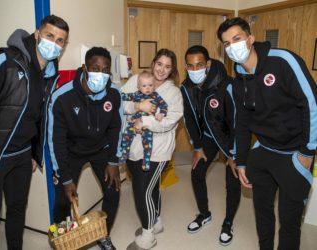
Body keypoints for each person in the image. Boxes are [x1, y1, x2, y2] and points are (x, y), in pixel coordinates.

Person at [0, 15, 69, 250]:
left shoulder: (50, 74)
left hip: (22, 158)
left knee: (16, 212)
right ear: (36, 34)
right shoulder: (4, 59)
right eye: (50, 36)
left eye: (61, 40)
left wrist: (34, 153)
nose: (54, 43)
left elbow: (36, 116)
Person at [217, 17, 317, 250]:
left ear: (250, 39)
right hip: (262, 153)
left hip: (294, 154)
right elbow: (241, 123)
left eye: (237, 39)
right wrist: (241, 161)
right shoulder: (238, 77)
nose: (232, 47)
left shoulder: (282, 61)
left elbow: (311, 103)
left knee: (290, 222)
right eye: (226, 43)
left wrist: (307, 150)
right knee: (262, 214)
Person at [48, 47, 122, 250]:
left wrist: (113, 161)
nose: (101, 74)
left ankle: (103, 234)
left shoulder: (114, 93)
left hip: (101, 149)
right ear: (85, 68)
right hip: (71, 151)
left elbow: (117, 127)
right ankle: (64, 241)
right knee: (64, 200)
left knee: (113, 192)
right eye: (95, 68)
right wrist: (66, 178)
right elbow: (56, 141)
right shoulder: (62, 97)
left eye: (106, 70)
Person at [121, 49, 183, 250]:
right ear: (153, 62)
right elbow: (121, 102)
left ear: (172, 70)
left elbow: (170, 121)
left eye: (167, 66)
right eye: (159, 64)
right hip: (134, 147)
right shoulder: (137, 80)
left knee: (143, 190)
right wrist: (139, 106)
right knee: (151, 187)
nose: (162, 70)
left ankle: (148, 236)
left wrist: (145, 122)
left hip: (158, 150)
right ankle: (155, 223)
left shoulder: (173, 93)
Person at [180, 45, 241, 246]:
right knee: (196, 173)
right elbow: (189, 118)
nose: (195, 70)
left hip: (231, 138)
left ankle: (228, 222)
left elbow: (237, 122)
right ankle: (204, 214)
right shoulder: (186, 87)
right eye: (190, 66)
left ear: (207, 63)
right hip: (208, 137)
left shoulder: (227, 84)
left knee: (232, 179)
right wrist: (197, 147)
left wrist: (234, 155)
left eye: (199, 65)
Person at [120, 70, 168, 171]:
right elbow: (124, 96)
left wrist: (161, 113)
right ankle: (124, 154)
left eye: (150, 85)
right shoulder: (136, 94)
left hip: (147, 124)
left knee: (147, 142)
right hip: (134, 121)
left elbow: (164, 105)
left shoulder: (156, 96)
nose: (148, 88)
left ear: (154, 86)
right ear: (138, 87)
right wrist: (117, 93)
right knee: (126, 136)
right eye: (144, 85)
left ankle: (146, 161)